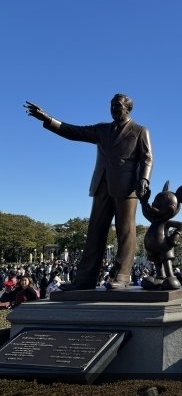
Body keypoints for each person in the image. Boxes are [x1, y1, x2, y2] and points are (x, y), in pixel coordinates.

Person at [25, 95, 153, 290]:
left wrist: (144, 179)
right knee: (94, 231)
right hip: (101, 185)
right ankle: (85, 279)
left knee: (125, 231)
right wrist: (48, 119)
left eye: (117, 105)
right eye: (111, 105)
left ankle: (123, 275)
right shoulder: (102, 129)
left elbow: (147, 158)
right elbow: (74, 132)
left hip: (127, 188)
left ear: (128, 108)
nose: (113, 108)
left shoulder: (140, 131)